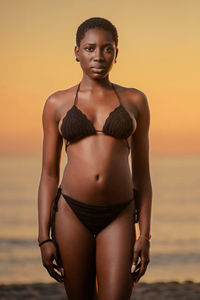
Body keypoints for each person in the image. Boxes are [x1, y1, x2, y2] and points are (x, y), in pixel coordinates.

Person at [37, 17, 152, 300]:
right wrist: (43, 237)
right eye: (90, 48)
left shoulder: (135, 101)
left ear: (116, 52)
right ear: (77, 52)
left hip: (120, 213)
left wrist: (145, 235)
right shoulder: (57, 103)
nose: (99, 56)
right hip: (71, 213)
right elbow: (49, 174)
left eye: (107, 48)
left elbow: (142, 174)